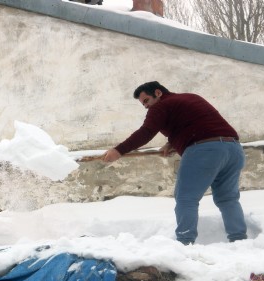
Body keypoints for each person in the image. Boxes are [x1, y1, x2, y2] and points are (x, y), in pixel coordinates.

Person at [103, 81, 247, 244]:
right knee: (227, 198)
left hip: (204, 151)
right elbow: (197, 123)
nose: (146, 107)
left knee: (186, 198)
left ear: (158, 92)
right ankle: (239, 240)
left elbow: (146, 132)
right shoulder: (190, 98)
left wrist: (119, 150)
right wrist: (173, 143)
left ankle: (185, 243)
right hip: (233, 149)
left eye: (146, 101)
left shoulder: (160, 106)